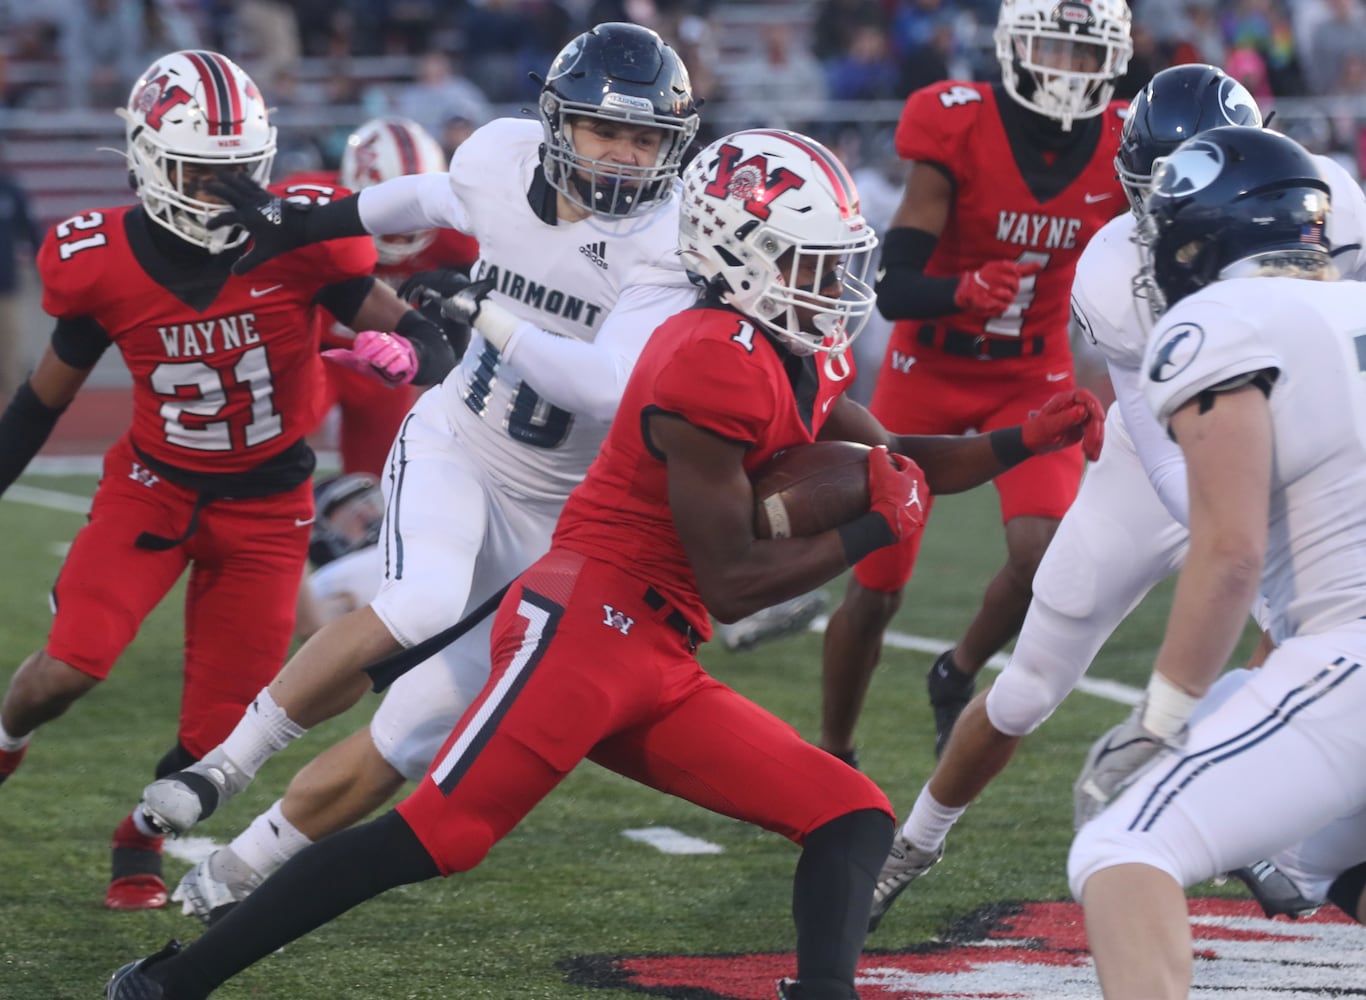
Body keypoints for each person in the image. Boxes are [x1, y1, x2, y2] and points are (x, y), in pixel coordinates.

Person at [106, 124, 1104, 1000]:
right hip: (584, 623)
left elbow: (893, 461)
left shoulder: (795, 346)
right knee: (439, 836)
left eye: (833, 264)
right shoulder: (704, 354)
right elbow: (734, 580)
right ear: (735, 253)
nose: (830, 288)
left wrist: (1025, 439)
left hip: (657, 653)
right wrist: (865, 533)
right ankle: (168, 980)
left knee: (849, 814)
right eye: (806, 263)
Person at [133, 22, 706, 848]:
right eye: (604, 130)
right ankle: (220, 766)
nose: (623, 155)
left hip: (562, 516)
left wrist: (484, 314)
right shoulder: (499, 157)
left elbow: (608, 385)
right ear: (556, 124)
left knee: (415, 729)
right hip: (460, 446)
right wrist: (306, 226)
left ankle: (237, 875)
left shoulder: (666, 239)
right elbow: (430, 198)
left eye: (645, 138)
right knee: (424, 598)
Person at [863, 63, 1366, 932]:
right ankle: (915, 840)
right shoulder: (1116, 270)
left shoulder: (1336, 206)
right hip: (1160, 459)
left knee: (1310, 631)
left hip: (1304, 444)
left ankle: (1239, 784)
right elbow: (1183, 479)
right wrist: (1245, 529)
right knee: (1029, 686)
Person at [0, 49, 457, 913]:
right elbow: (38, 402)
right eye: (197, 174)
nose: (219, 193)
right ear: (146, 158)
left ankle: (137, 834)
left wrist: (408, 351)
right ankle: (5, 737)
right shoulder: (99, 260)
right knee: (70, 666)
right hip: (152, 486)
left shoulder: (299, 241)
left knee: (215, 746)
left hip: (270, 506)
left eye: (236, 173)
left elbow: (429, 343)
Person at [1064, 124, 1366, 1000]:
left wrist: (1156, 719)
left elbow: (1228, 554)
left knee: (1122, 842)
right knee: (1309, 852)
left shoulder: (1218, 323)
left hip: (1348, 659)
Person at [819, 0, 1134, 765]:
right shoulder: (954, 120)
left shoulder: (1127, 141)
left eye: (1085, 54)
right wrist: (962, 290)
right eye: (1052, 48)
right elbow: (894, 286)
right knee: (878, 586)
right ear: (1013, 48)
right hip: (924, 369)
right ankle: (833, 748)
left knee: (1043, 555)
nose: (1067, 69)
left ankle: (955, 670)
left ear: (1114, 62)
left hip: (1031, 372)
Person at [314, 116, 479, 476]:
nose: (400, 232)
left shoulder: (458, 232)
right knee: (270, 442)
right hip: (312, 351)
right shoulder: (312, 206)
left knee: (380, 475)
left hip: (387, 361)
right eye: (388, 207)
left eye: (412, 210)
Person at [0, 147, 41, 399]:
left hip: (5, 284)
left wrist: (43, 268)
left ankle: (13, 416)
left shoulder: (11, 191)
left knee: (10, 346)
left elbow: (31, 232)